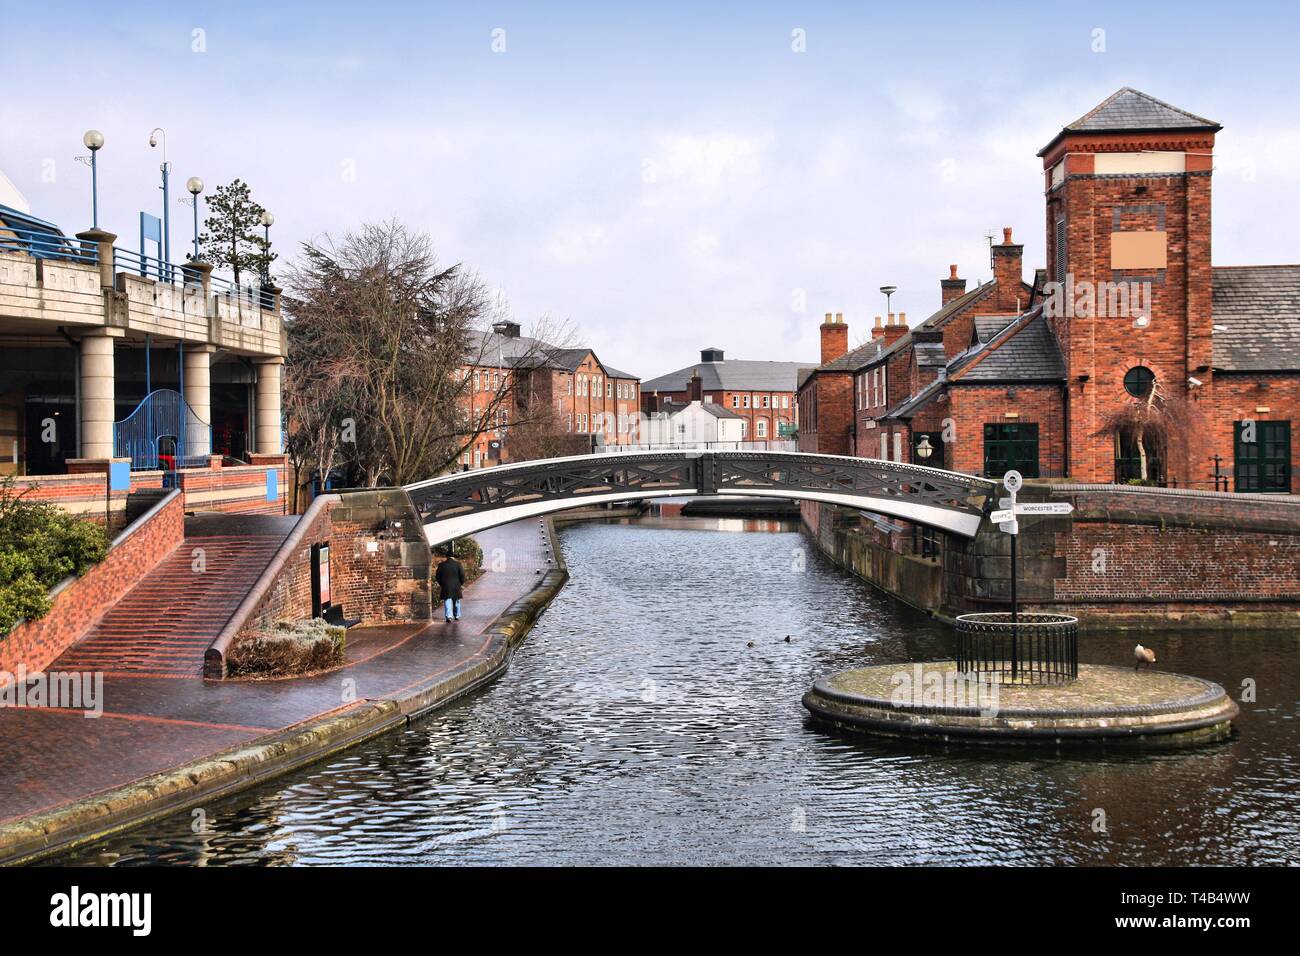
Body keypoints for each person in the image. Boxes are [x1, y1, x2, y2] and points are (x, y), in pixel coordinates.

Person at [435, 547, 466, 623]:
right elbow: (462, 575)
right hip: (456, 586)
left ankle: (449, 616)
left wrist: (442, 584)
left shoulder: (441, 565)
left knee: (447, 601)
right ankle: (457, 615)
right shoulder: (458, 564)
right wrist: (460, 583)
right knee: (456, 601)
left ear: (447, 557)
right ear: (453, 557)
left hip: (446, 586)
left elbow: (437, 577)